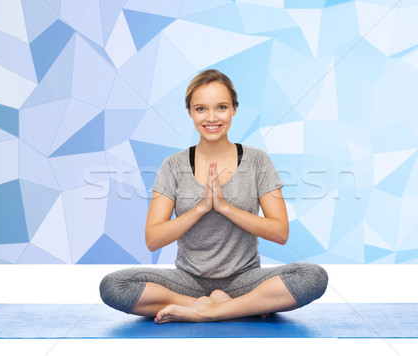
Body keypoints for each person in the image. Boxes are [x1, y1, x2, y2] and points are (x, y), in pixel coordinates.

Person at [100, 69, 328, 324]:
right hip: (187, 282)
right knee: (114, 286)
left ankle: (208, 311)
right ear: (190, 112)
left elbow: (280, 233)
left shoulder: (257, 161)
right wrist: (200, 208)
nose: (211, 117)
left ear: (234, 110)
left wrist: (224, 207)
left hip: (245, 280)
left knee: (313, 277)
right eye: (200, 109)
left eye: (221, 107)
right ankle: (229, 307)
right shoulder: (172, 165)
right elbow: (153, 240)